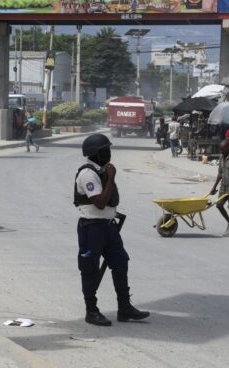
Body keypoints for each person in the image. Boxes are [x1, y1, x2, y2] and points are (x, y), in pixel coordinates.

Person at [74, 133, 150, 326]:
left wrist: (109, 176)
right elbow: (99, 203)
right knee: (89, 269)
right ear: (95, 153)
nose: (108, 153)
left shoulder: (102, 171)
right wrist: (111, 178)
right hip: (92, 229)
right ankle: (91, 311)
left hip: (108, 227)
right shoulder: (88, 174)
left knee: (120, 263)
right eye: (105, 150)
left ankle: (124, 307)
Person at [210, 140, 229, 236]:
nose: (221, 151)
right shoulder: (221, 157)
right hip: (223, 186)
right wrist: (214, 187)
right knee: (219, 205)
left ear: (228, 148)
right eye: (220, 150)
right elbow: (220, 173)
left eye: (223, 149)